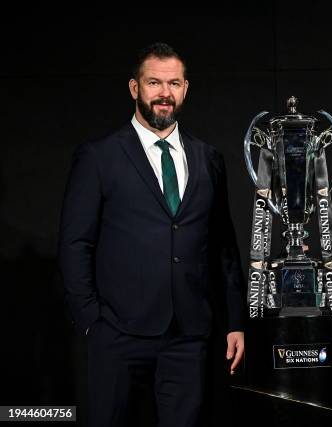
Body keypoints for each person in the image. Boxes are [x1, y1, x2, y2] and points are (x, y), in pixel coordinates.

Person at [59, 42, 245, 427]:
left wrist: (234, 321)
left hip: (188, 334)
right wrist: (92, 320)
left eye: (174, 83)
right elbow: (75, 244)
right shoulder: (99, 157)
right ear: (134, 88)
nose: (165, 93)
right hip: (117, 333)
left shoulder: (207, 158)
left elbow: (224, 246)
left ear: (185, 88)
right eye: (154, 83)